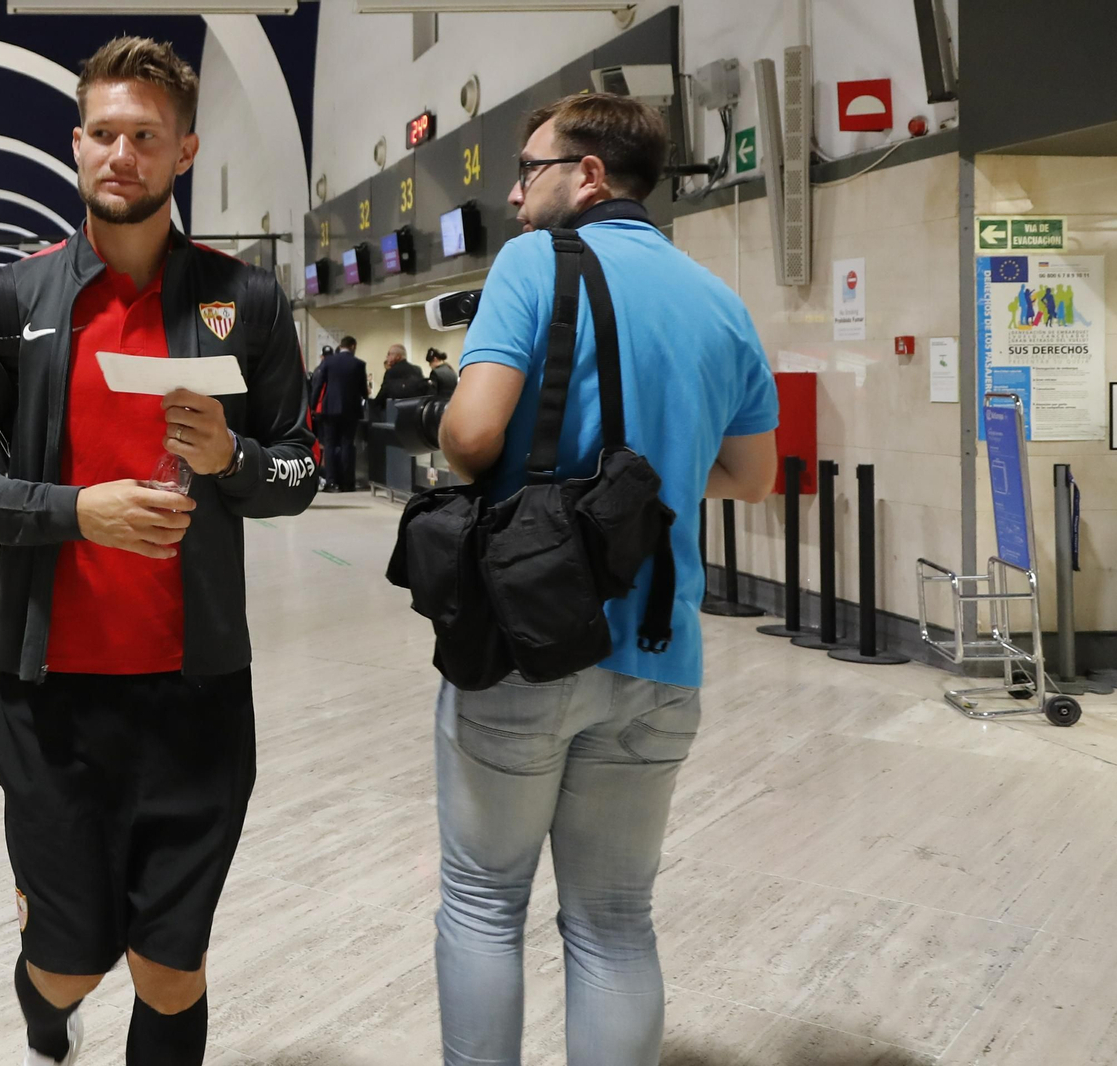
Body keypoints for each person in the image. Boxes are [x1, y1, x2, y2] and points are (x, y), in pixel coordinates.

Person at [0, 36, 316, 1066]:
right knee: (67, 963)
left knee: (170, 970)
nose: (121, 154)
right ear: (77, 143)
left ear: (185, 150)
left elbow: (300, 472)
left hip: (198, 698)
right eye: (103, 133)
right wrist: (74, 511)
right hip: (49, 697)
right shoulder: (7, 303)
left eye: (145, 135)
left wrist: (230, 459)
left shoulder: (245, 301)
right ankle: (48, 1016)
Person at [431, 91, 779, 1066]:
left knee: (483, 900)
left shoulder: (534, 263)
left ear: (587, 175)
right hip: (660, 655)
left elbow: (471, 436)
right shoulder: (719, 298)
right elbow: (753, 476)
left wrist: (451, 422)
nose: (513, 194)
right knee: (616, 919)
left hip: (528, 642)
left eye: (527, 170)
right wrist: (645, 477)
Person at [308, 336, 366, 492]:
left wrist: (312, 406)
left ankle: (332, 482)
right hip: (351, 410)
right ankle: (348, 482)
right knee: (348, 444)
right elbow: (363, 390)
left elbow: (318, 385)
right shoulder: (359, 364)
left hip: (330, 409)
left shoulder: (328, 362)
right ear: (353, 346)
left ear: (341, 346)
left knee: (330, 445)